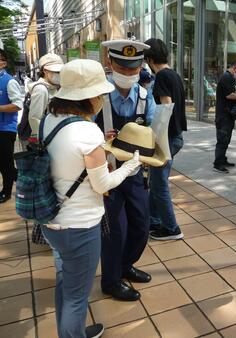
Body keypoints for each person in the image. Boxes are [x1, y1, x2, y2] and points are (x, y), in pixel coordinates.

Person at [41, 59, 142, 338]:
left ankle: (70, 333)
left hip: (52, 218)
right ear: (87, 97)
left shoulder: (51, 119)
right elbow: (103, 184)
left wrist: (101, 145)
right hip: (80, 225)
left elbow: (69, 160)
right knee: (77, 297)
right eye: (99, 94)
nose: (102, 98)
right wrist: (130, 167)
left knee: (66, 285)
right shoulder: (87, 131)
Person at [95, 39, 156, 301]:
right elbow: (83, 131)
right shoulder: (98, 95)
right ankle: (110, 280)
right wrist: (101, 137)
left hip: (135, 173)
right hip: (107, 174)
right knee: (114, 231)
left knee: (141, 227)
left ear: (141, 66)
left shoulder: (145, 96)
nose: (128, 74)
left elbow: (155, 131)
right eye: (122, 67)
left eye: (133, 69)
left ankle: (125, 265)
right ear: (110, 63)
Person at [144, 38, 186, 241]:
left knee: (159, 184)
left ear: (150, 60)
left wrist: (155, 138)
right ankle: (153, 221)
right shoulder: (176, 75)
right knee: (156, 181)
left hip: (166, 138)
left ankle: (172, 228)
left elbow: (166, 106)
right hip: (176, 136)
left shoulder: (161, 77)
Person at [214, 60, 236, 173]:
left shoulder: (229, 78)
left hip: (227, 115)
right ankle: (218, 164)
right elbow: (229, 95)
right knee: (222, 139)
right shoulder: (226, 77)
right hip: (223, 115)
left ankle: (223, 159)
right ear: (235, 68)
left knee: (226, 139)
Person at [0, 48, 23, 203]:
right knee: (2, 162)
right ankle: (25, 180)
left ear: (4, 63)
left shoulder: (10, 81)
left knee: (6, 162)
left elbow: (17, 105)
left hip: (6, 128)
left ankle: (6, 192)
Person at [28, 53, 64, 141]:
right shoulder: (41, 89)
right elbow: (34, 118)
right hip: (47, 139)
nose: (59, 74)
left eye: (61, 71)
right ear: (45, 71)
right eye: (56, 72)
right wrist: (44, 141)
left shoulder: (54, 87)